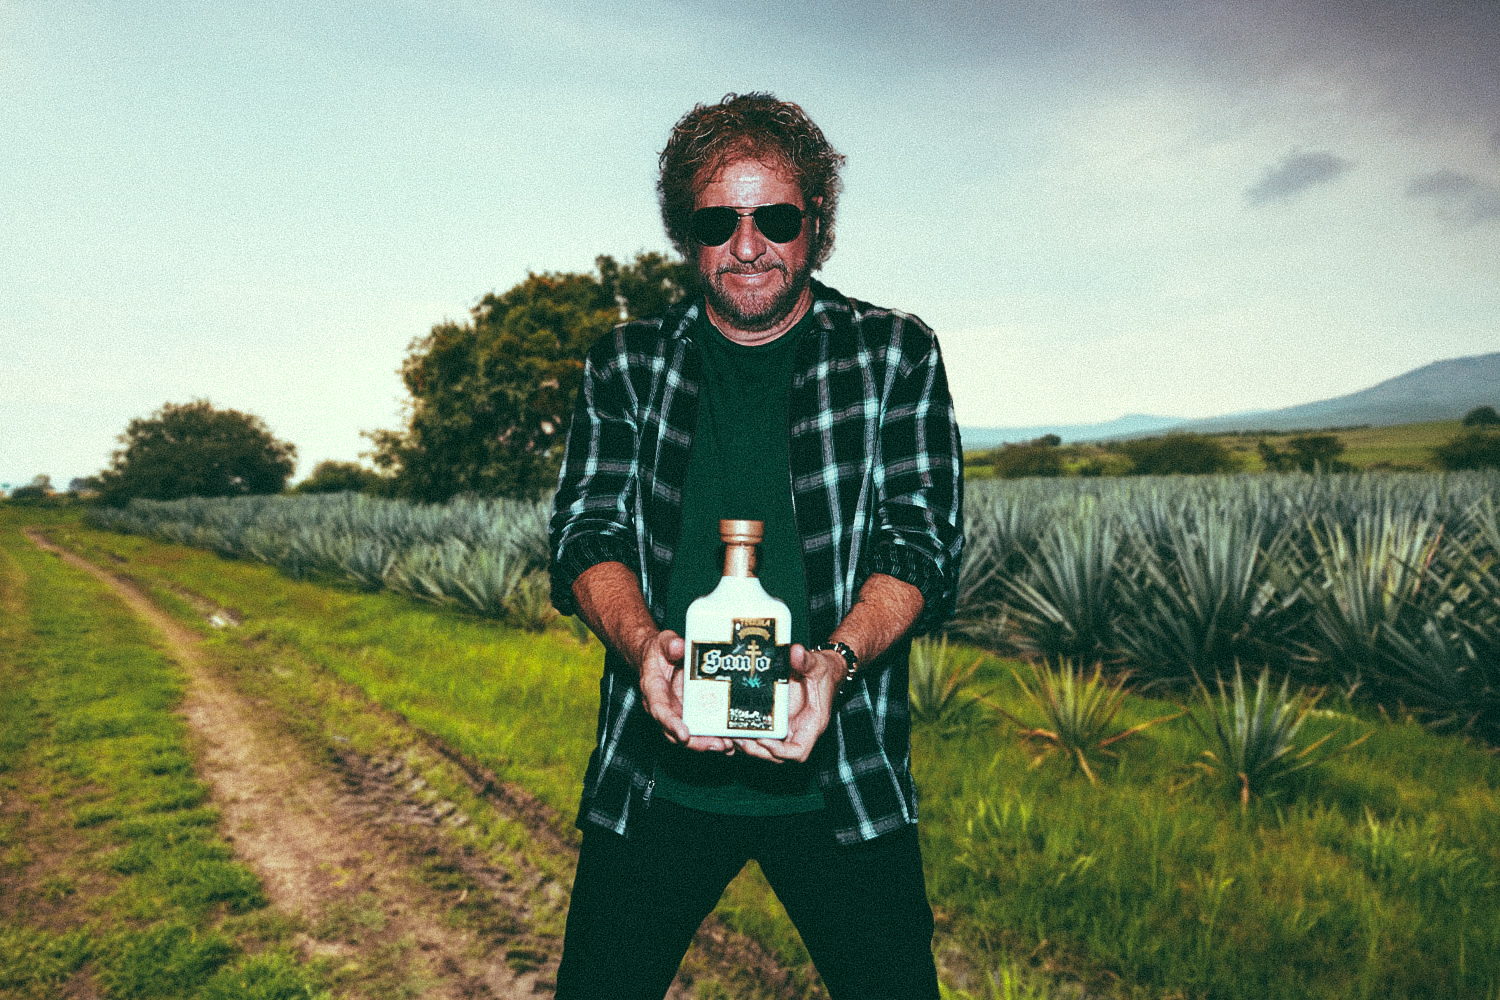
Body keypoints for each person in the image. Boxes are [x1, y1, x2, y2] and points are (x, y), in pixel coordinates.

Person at [548, 92, 964, 999]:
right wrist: (639, 647)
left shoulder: (893, 354)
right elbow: (588, 529)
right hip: (652, 776)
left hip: (842, 771)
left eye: (775, 216)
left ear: (814, 224)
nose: (748, 244)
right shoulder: (625, 364)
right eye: (718, 220)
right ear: (686, 234)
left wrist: (837, 664)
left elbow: (921, 537)